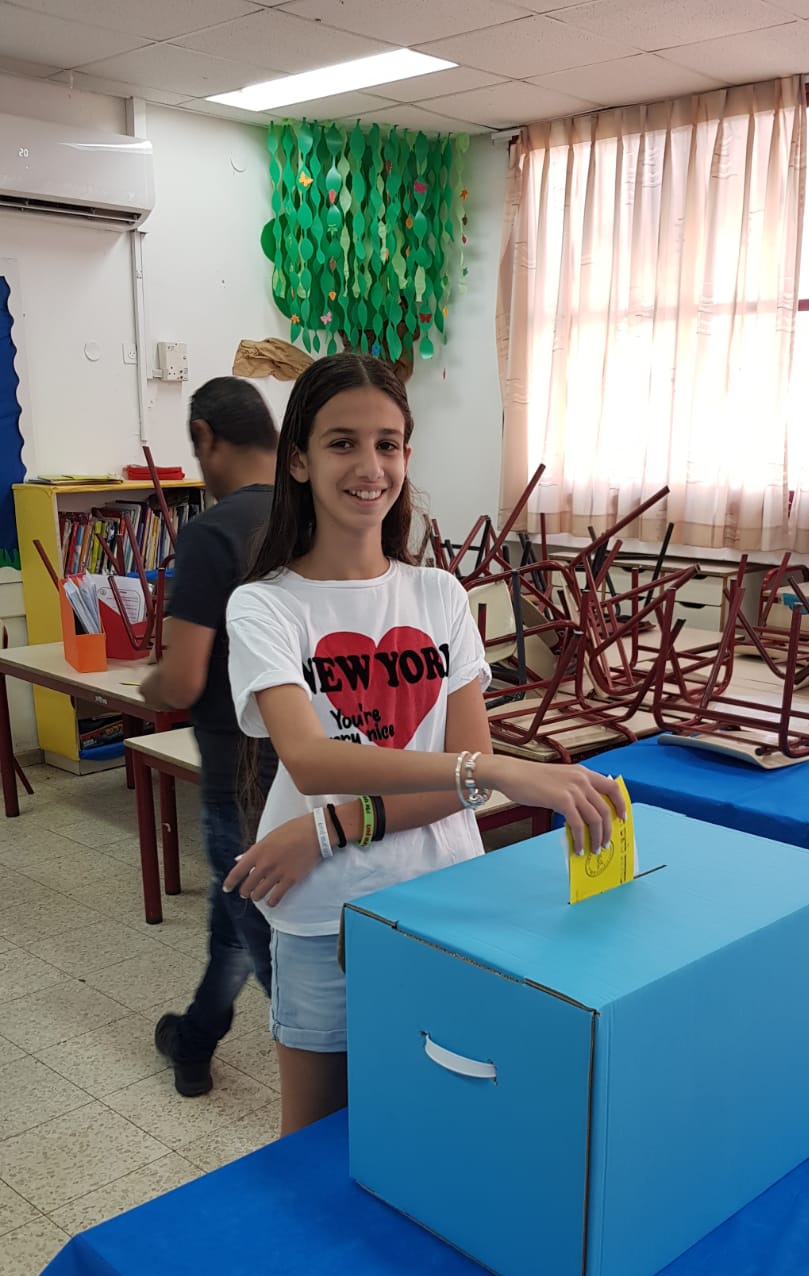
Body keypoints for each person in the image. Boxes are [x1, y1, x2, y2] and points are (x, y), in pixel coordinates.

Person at [224, 353, 625, 1137]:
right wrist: (500, 769)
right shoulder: (265, 606)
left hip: (446, 897)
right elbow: (310, 757)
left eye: (388, 444)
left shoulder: (438, 594)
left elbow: (459, 784)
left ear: (407, 455)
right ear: (299, 460)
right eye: (342, 443)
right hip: (326, 912)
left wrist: (330, 826)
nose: (369, 467)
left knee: (444, 1122)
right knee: (317, 1136)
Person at [140, 376, 278, 1097]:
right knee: (238, 919)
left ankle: (351, 1106)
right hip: (328, 765)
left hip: (241, 775)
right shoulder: (320, 512)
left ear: (205, 437)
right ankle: (195, 1042)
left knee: (277, 960)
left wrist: (149, 685)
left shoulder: (212, 532)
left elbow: (184, 679)